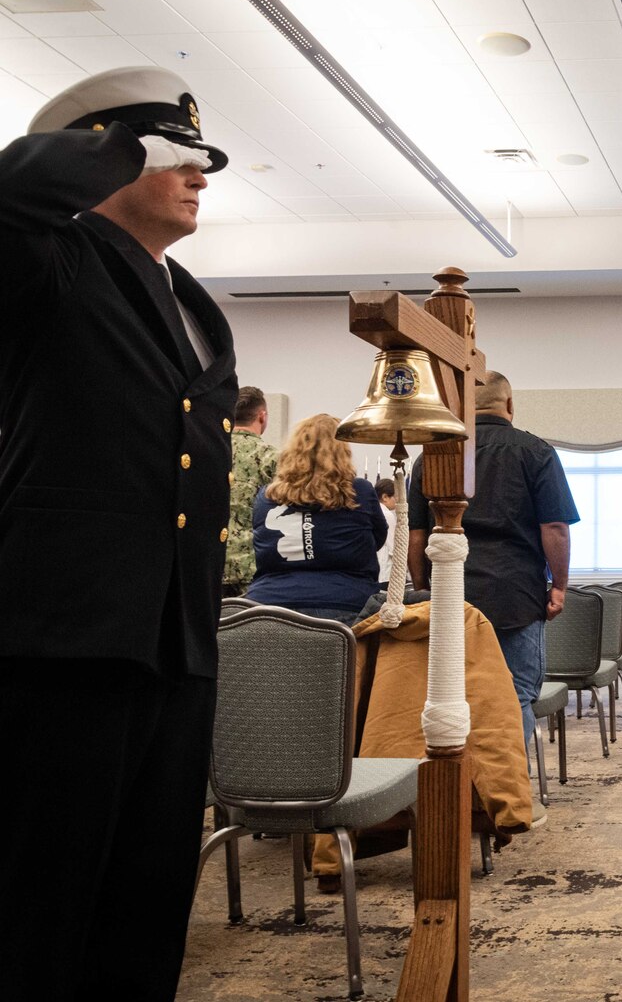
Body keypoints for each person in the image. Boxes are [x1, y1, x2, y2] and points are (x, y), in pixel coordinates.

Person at [0, 66, 238, 995]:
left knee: (146, 898)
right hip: (66, 632)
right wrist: (118, 144)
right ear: (106, 152)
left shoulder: (193, 303)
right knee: (42, 898)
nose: (199, 174)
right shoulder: (46, 260)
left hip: (175, 639)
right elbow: (11, 195)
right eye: (175, 154)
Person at [408, 371, 578, 761]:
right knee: (513, 694)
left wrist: (423, 590)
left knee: (447, 694)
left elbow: (416, 535)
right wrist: (559, 586)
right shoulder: (535, 451)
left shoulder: (431, 456)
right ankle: (508, 795)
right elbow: (554, 527)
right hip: (513, 593)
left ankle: (459, 789)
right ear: (510, 405)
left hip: (449, 594)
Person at [249, 414, 388, 623]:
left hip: (269, 606)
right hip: (346, 604)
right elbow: (378, 539)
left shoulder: (266, 497)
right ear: (343, 451)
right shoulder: (359, 491)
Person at [224, 385, 278, 596]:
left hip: (208, 561)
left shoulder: (210, 450)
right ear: (262, 416)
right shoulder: (272, 458)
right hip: (253, 566)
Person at [375, 476, 398, 583]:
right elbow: (392, 545)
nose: (397, 500)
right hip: (385, 569)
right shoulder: (387, 515)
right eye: (395, 496)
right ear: (385, 497)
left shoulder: (373, 512)